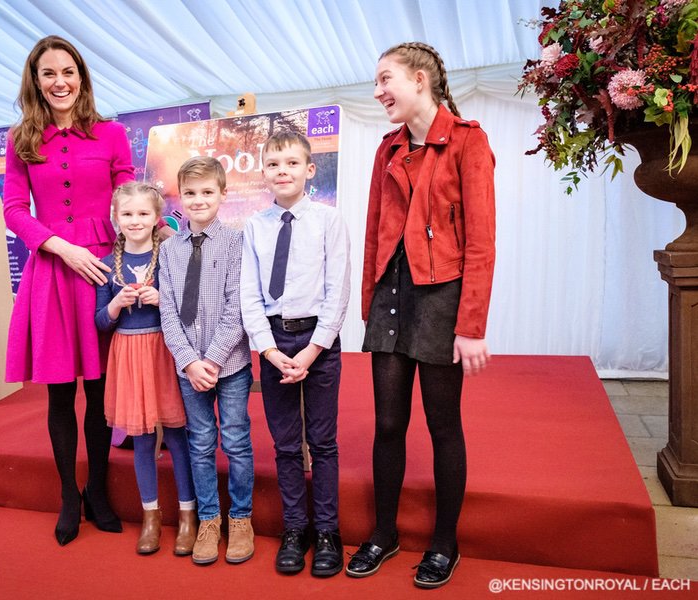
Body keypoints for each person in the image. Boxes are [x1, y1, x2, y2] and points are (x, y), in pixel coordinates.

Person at [347, 42, 496, 588]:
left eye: (386, 79)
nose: (379, 91)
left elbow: (481, 242)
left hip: (441, 297)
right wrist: (367, 302)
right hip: (390, 293)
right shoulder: (387, 148)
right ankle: (384, 534)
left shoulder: (468, 141)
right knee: (388, 422)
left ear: (418, 79)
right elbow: (372, 235)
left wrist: (471, 326)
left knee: (442, 424)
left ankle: (444, 543)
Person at [3, 35, 133, 546]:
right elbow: (14, 209)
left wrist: (149, 241)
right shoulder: (21, 140)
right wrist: (59, 245)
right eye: (49, 73)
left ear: (82, 77)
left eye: (68, 72)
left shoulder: (112, 133)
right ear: (35, 81)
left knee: (101, 391)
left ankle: (97, 490)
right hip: (55, 269)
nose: (60, 82)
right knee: (60, 392)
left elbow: (128, 197)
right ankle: (66, 495)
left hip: (104, 268)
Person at [240, 131, 350, 577]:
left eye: (291, 163)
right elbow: (249, 292)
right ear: (263, 172)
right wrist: (266, 349)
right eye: (273, 164)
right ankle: (294, 528)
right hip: (274, 343)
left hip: (318, 344)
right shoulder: (255, 225)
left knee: (322, 442)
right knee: (286, 445)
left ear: (309, 170)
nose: (281, 171)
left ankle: (327, 531)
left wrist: (311, 352)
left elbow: (337, 290)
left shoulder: (328, 220)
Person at [159, 157, 255, 566]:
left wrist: (212, 359)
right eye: (190, 193)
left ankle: (241, 518)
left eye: (207, 192)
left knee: (235, 439)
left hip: (229, 363)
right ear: (180, 198)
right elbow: (166, 310)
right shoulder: (169, 250)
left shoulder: (237, 243)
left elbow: (239, 306)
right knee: (200, 444)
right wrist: (188, 361)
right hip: (188, 367)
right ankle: (209, 519)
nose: (198, 200)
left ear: (222, 195)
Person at [96, 182, 197, 556]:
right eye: (127, 214)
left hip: (165, 349)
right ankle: (150, 516)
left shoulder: (170, 254)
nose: (134, 220)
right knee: (141, 438)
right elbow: (101, 322)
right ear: (116, 219)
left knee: (176, 433)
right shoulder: (108, 265)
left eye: (142, 214)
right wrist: (117, 305)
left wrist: (161, 299)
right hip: (128, 353)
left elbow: (189, 307)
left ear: (156, 219)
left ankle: (188, 515)